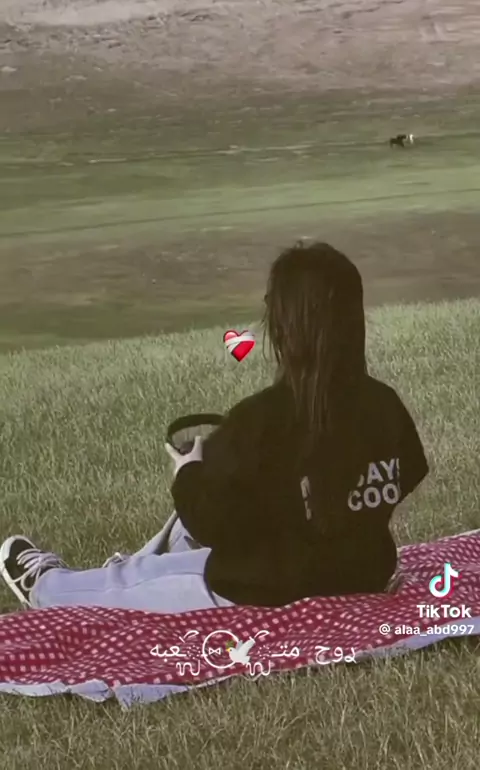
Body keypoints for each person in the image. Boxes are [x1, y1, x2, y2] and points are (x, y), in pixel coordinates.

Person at [0, 241, 429, 614]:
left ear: (283, 329)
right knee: (159, 561)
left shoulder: (260, 419)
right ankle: (131, 564)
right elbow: (410, 470)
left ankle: (44, 586)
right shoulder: (384, 404)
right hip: (364, 574)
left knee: (126, 584)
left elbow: (209, 524)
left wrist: (187, 471)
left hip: (260, 589)